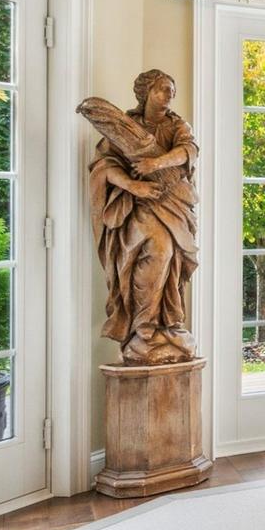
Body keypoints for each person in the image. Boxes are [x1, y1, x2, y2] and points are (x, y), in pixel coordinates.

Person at [83, 69, 199, 364]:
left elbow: (188, 150)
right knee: (157, 252)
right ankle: (142, 328)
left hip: (173, 203)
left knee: (172, 261)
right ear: (146, 92)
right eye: (162, 89)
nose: (168, 95)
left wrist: (156, 163)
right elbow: (104, 167)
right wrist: (134, 185)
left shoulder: (176, 125)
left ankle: (169, 324)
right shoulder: (126, 126)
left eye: (172, 90)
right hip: (138, 206)